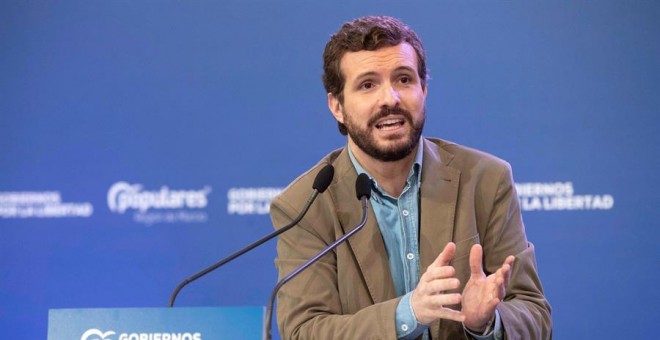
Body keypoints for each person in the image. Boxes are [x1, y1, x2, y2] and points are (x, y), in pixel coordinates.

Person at [270, 16, 551, 340]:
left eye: (404, 79)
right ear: (337, 106)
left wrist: (485, 323)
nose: (390, 99)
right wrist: (409, 313)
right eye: (367, 84)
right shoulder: (305, 206)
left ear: (424, 89)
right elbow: (304, 331)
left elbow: (534, 314)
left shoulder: (485, 180)